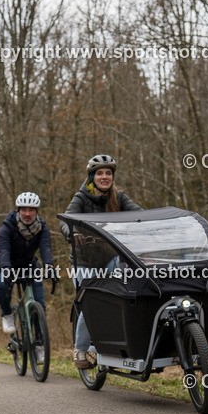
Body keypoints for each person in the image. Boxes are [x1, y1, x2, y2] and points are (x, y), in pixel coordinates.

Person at [60, 155, 141, 369]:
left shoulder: (119, 197)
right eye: (100, 173)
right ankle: (80, 349)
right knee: (91, 303)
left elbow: (139, 215)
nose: (104, 177)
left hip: (110, 259)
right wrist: (72, 233)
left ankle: (119, 344)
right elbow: (66, 221)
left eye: (108, 173)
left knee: (128, 289)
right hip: (84, 263)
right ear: (92, 177)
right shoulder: (81, 197)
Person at [0, 192, 54, 365]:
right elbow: (3, 250)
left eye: (31, 210)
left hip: (29, 266)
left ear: (37, 211)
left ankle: (39, 345)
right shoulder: (7, 226)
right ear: (18, 210)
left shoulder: (42, 227)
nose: (27, 214)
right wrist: (6, 269)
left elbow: (46, 247)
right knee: (2, 285)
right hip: (6, 264)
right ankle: (7, 314)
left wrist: (48, 265)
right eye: (24, 210)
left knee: (39, 304)